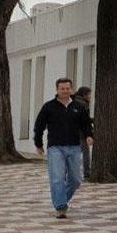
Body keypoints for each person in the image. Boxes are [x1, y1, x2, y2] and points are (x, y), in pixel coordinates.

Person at [34, 78, 94, 218]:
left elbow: (86, 124)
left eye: (67, 88)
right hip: (56, 148)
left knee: (76, 179)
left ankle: (61, 199)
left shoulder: (79, 107)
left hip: (74, 147)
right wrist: (38, 144)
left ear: (71, 89)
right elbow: (39, 126)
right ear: (57, 90)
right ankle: (61, 206)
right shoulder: (49, 107)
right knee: (57, 178)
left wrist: (89, 135)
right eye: (62, 89)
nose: (65, 91)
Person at [74, 86, 93, 179]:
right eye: (89, 94)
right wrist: (89, 134)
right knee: (85, 152)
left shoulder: (74, 101)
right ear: (84, 95)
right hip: (81, 132)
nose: (90, 96)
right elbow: (84, 121)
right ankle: (87, 172)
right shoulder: (83, 104)